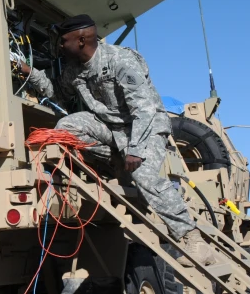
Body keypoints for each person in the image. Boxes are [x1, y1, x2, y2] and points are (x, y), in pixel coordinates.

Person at [18, 14, 215, 267]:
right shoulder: (74, 70)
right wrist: (29, 72)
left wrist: (134, 150)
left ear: (81, 40)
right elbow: (57, 93)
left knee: (143, 174)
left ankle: (192, 237)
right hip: (112, 129)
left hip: (145, 126)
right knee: (67, 126)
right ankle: (114, 160)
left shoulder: (120, 60)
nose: (59, 46)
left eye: (63, 41)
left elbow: (143, 109)